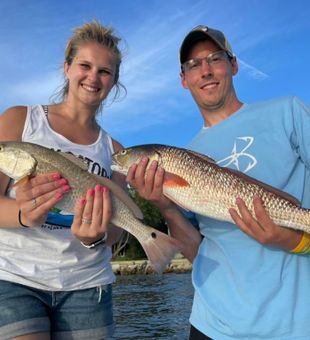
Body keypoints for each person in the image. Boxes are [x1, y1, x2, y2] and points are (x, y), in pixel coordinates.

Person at [126, 25, 310, 339]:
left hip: (293, 325)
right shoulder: (184, 154)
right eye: (194, 65)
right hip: (212, 324)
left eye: (215, 58)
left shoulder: (288, 112)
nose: (206, 70)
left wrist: (294, 241)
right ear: (184, 80)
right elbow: (197, 252)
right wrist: (164, 206)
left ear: (234, 64)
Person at [0, 20, 126, 339]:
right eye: (85, 65)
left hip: (88, 285)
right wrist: (22, 215)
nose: (93, 77)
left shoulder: (116, 152)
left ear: (114, 81)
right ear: (67, 67)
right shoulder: (18, 119)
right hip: (15, 279)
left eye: (104, 71)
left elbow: (116, 229)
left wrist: (94, 238)